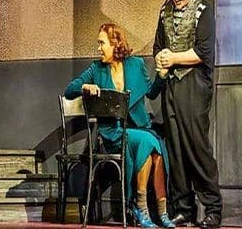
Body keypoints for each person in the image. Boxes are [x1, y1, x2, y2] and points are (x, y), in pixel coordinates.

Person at [65, 23, 173, 228]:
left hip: (138, 127)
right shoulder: (96, 69)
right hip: (114, 133)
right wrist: (85, 86)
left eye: (102, 43)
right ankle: (141, 208)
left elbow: (151, 92)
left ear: (115, 44)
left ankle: (161, 211)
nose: (99, 48)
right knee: (149, 142)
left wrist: (162, 76)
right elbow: (69, 90)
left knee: (156, 151)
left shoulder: (135, 64)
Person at [153, 0, 222, 228]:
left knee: (196, 146)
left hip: (194, 84)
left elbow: (203, 52)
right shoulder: (165, 10)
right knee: (176, 148)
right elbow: (159, 45)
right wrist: (161, 58)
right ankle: (183, 208)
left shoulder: (203, 10)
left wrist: (173, 58)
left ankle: (213, 209)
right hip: (171, 85)